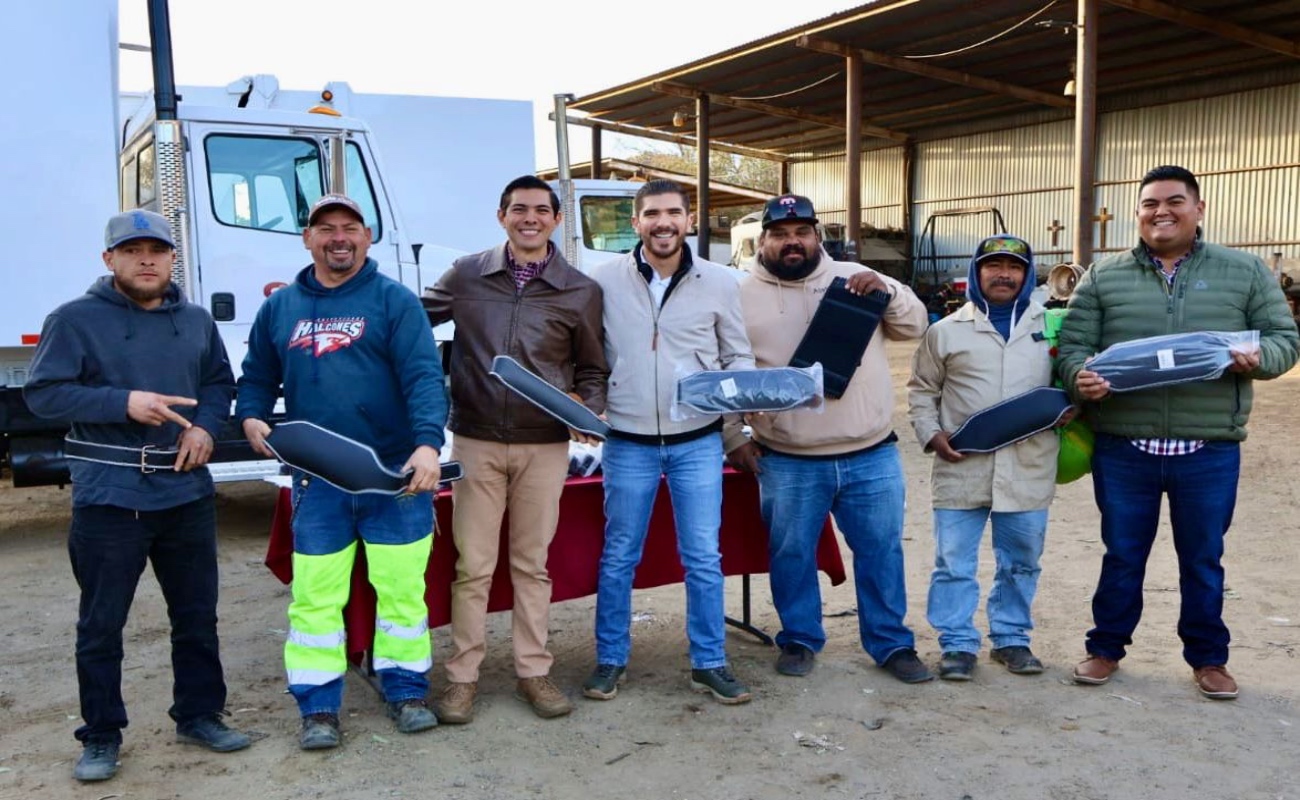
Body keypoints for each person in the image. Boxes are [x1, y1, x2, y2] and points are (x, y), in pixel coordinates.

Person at [24, 210, 251, 782]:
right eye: (132, 250)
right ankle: (100, 734)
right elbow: (45, 396)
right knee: (102, 625)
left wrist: (204, 427)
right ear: (110, 260)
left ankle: (200, 715)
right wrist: (122, 402)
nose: (146, 259)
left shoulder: (196, 320)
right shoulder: (74, 320)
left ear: (173, 258)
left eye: (157, 249)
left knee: (197, 616)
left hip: (186, 494)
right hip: (110, 497)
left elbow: (218, 383)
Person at [1057, 165, 1299, 699]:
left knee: (1202, 557)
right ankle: (1105, 648)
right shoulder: (1104, 275)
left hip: (1207, 447)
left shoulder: (1245, 272)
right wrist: (1081, 379)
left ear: (1198, 208)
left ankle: (1209, 659)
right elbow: (1073, 346)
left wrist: (1257, 360)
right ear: (1137, 213)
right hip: (1125, 446)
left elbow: (1286, 340)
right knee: (1122, 552)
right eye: (1149, 203)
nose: (1160, 211)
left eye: (1174, 201)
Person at [237, 194, 449, 748]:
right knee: (315, 599)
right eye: (325, 228)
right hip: (319, 481)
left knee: (402, 593)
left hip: (394, 480)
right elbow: (256, 374)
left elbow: (424, 378)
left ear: (366, 238)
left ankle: (406, 692)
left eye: (350, 228)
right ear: (307, 239)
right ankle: (319, 709)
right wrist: (252, 416)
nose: (338, 237)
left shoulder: (394, 302)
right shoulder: (280, 309)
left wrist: (427, 446)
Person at [421, 175, 608, 722]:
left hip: (544, 446)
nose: (530, 218)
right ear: (501, 215)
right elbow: (409, 319)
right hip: (476, 441)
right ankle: (462, 678)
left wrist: (586, 405)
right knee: (473, 567)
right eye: (518, 209)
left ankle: (534, 672)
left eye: (541, 210)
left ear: (556, 220)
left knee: (532, 565)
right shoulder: (466, 275)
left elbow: (594, 367)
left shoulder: (579, 289)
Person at [727, 194, 932, 683]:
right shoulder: (737, 294)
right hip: (789, 458)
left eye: (802, 232)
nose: (792, 241)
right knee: (792, 553)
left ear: (818, 235)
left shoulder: (855, 278)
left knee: (881, 551)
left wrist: (887, 288)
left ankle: (891, 643)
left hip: (871, 453)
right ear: (764, 239)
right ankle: (799, 638)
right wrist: (732, 435)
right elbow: (724, 369)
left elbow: (915, 325)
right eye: (780, 233)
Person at [583, 179, 755, 705]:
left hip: (697, 441)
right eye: (652, 213)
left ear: (689, 220)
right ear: (635, 223)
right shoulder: (602, 279)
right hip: (627, 440)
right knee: (619, 555)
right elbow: (588, 354)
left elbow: (738, 357)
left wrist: (738, 405)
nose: (663, 222)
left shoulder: (721, 281)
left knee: (703, 555)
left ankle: (710, 661)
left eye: (674, 213)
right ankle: (610, 659)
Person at [907, 234, 1062, 681]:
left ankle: (1011, 638)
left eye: (1013, 267)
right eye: (993, 266)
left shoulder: (1051, 326)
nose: (1003, 274)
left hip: (1028, 466)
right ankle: (957, 644)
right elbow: (922, 391)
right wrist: (931, 434)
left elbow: (1071, 375)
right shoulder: (946, 331)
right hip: (961, 465)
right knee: (953, 562)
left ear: (1027, 275)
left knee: (1021, 560)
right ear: (976, 273)